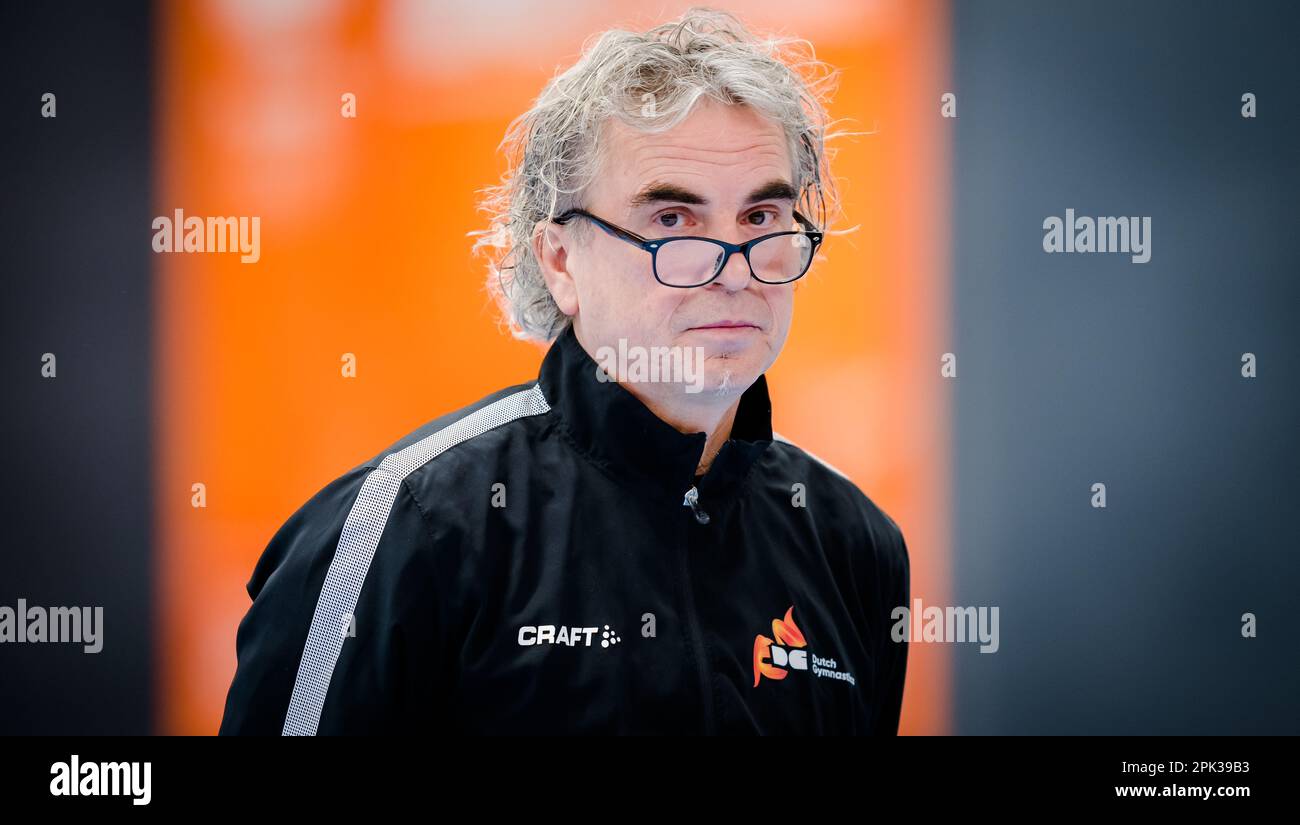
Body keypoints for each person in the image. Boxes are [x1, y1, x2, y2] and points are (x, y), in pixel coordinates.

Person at [219, 6, 909, 735]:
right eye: (673, 221)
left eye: (761, 219)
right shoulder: (405, 526)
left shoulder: (853, 543)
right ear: (560, 261)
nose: (733, 271)